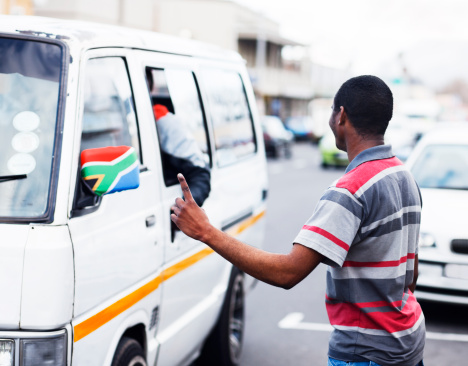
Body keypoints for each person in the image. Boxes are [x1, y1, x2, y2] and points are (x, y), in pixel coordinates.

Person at [170, 75, 425, 366]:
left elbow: (287, 273)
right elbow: (411, 271)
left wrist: (206, 231)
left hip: (366, 354)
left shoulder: (350, 191)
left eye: (332, 110)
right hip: (408, 341)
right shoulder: (403, 175)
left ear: (341, 116)